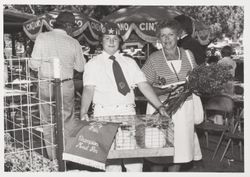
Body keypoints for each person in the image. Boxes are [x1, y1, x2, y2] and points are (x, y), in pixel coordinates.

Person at [80, 22, 169, 172]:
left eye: (115, 38)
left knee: (134, 161)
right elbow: (88, 89)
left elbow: (144, 85)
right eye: (107, 38)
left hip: (128, 114)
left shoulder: (130, 62)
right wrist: (83, 112)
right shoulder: (92, 64)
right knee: (111, 162)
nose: (111, 42)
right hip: (104, 115)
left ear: (120, 41)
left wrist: (159, 106)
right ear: (101, 40)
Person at [141, 19, 203, 172]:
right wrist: (164, 91)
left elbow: (196, 80)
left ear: (178, 36)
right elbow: (143, 86)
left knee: (180, 152)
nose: (167, 39)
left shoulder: (188, 55)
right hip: (161, 110)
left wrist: (196, 86)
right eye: (163, 36)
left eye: (171, 35)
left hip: (184, 110)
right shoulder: (154, 59)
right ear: (159, 38)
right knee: (159, 153)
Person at [29, 11, 86, 159]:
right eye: (72, 27)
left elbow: (33, 64)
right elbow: (80, 67)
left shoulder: (42, 37)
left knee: (47, 120)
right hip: (66, 85)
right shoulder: (74, 42)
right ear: (67, 26)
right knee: (67, 120)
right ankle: (66, 156)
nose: (72, 30)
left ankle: (53, 157)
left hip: (46, 84)